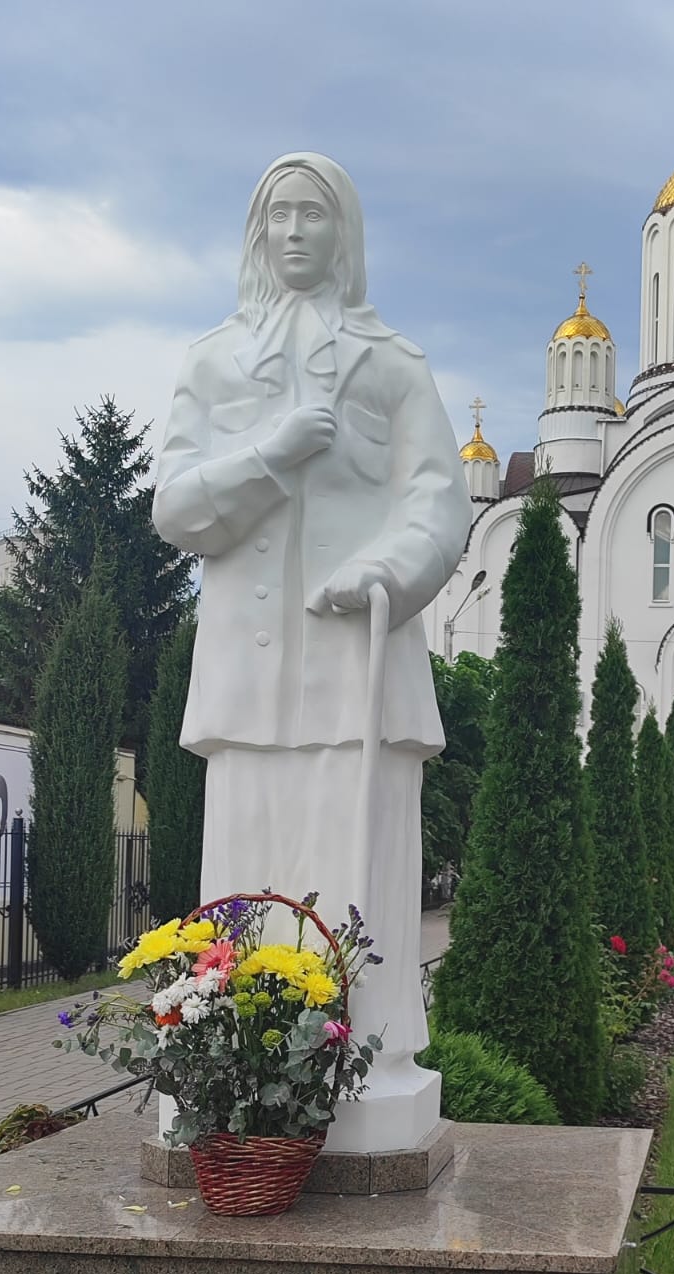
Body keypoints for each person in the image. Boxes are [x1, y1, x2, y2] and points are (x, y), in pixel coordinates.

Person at [152, 153, 471, 1143]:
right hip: (250, 675)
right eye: (277, 214)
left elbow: (438, 499)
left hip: (356, 662)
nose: (294, 231)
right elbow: (175, 506)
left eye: (313, 215)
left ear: (345, 234)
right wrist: (274, 448)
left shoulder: (391, 364)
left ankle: (365, 1051)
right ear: (258, 231)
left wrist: (389, 568)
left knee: (358, 871)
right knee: (246, 872)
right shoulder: (210, 363)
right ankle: (227, 1052)